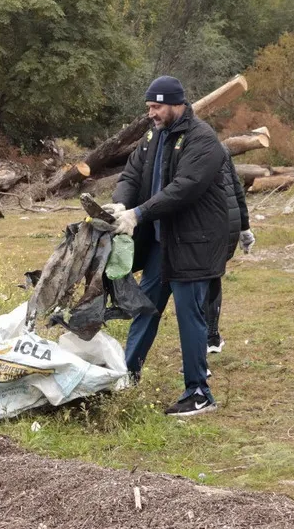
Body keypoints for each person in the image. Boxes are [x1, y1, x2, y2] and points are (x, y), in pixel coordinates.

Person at [105, 75, 229, 417]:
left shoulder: (202, 139)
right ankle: (127, 374)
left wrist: (139, 213)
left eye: (156, 107)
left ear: (177, 104)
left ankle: (199, 393)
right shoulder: (153, 136)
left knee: (190, 318)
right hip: (163, 242)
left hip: (194, 243)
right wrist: (120, 204)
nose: (151, 113)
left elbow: (184, 188)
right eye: (148, 107)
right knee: (145, 308)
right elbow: (131, 175)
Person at [205, 154, 255, 355]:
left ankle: (207, 337)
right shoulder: (221, 148)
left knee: (201, 279)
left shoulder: (190, 146)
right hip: (230, 222)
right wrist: (245, 227)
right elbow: (236, 188)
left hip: (212, 223)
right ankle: (212, 335)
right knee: (212, 277)